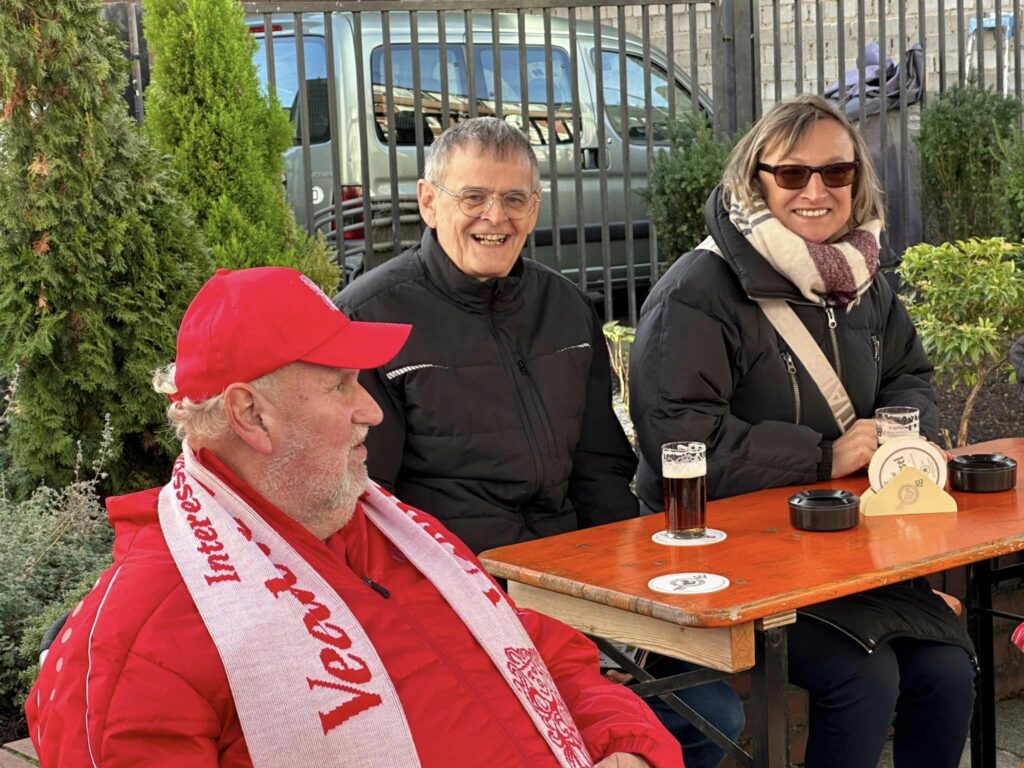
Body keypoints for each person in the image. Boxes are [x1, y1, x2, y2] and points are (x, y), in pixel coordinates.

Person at [25, 266, 682, 768]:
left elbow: (548, 656)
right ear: (251, 415)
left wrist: (624, 746)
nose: (370, 410)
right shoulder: (140, 635)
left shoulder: (395, 531)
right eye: (340, 384)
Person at [335, 117, 743, 768]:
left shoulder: (568, 307)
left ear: (536, 206)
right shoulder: (370, 318)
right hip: (451, 602)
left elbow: (599, 470)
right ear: (428, 201)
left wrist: (626, 612)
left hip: (571, 587)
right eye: (473, 196)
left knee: (714, 713)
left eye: (514, 199)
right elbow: (366, 509)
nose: (494, 217)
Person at [629, 94, 976, 768]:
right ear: (754, 180)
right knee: (864, 675)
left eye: (836, 172)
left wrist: (902, 433)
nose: (816, 191)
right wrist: (823, 456)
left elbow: (909, 374)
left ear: (857, 179)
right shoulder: (698, 290)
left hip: (843, 549)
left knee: (947, 668)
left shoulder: (863, 279)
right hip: (727, 558)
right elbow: (680, 440)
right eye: (791, 173)